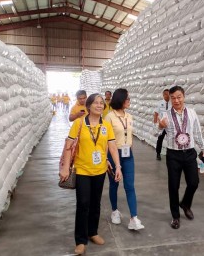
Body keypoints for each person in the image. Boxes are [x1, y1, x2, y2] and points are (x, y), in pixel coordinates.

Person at [59, 93, 122, 255]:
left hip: (100, 170)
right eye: (96, 103)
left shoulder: (106, 125)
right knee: (83, 204)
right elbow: (68, 146)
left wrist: (118, 166)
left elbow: (112, 146)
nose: (100, 105)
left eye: (102, 103)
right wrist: (66, 167)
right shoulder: (79, 123)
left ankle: (92, 232)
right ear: (88, 106)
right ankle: (80, 240)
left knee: (96, 203)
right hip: (82, 170)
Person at [158, 85, 204, 230]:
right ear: (170, 99)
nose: (176, 100)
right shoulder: (165, 114)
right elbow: (157, 133)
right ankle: (175, 216)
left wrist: (203, 147)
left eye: (179, 97)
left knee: (194, 182)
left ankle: (185, 203)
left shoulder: (191, 113)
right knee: (173, 186)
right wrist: (160, 126)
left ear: (184, 97)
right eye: (173, 98)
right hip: (173, 154)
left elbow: (197, 131)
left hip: (190, 152)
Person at [105, 88, 145, 231]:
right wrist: (106, 158)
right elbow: (105, 140)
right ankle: (115, 211)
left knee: (130, 186)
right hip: (113, 154)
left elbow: (130, 135)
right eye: (127, 99)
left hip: (128, 155)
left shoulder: (129, 116)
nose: (129, 101)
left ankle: (134, 218)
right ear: (120, 99)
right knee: (114, 184)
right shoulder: (109, 117)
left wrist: (130, 149)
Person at [154, 89, 170, 161]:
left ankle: (170, 154)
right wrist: (155, 124)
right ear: (163, 95)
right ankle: (158, 153)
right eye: (166, 94)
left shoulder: (172, 104)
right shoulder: (160, 103)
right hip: (161, 125)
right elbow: (156, 114)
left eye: (168, 94)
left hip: (169, 125)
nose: (167, 96)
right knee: (160, 139)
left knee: (171, 140)